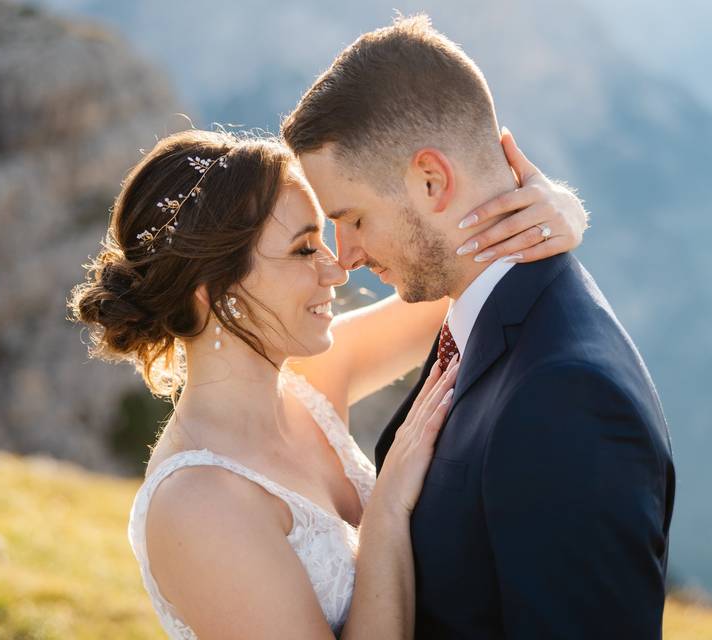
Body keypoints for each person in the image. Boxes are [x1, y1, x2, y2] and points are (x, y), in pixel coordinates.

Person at [68, 124, 585, 637]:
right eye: (303, 249)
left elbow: (474, 272)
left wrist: (556, 210)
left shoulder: (312, 378)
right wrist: (386, 511)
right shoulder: (197, 505)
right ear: (212, 289)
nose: (337, 271)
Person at [281, 15, 676, 639]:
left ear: (432, 180)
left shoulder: (567, 396)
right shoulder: (476, 316)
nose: (344, 254)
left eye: (352, 218)